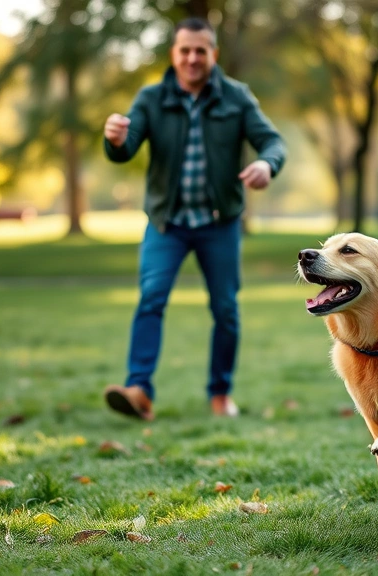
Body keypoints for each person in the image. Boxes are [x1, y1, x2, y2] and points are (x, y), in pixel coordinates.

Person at [102, 17, 286, 420]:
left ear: (213, 54)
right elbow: (125, 147)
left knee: (225, 309)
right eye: (184, 50)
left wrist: (267, 165)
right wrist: (114, 139)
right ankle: (139, 391)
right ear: (174, 53)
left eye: (200, 50)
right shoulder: (151, 98)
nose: (191, 58)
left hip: (219, 224)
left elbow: (272, 141)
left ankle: (220, 394)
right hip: (166, 224)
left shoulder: (236, 97)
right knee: (151, 299)